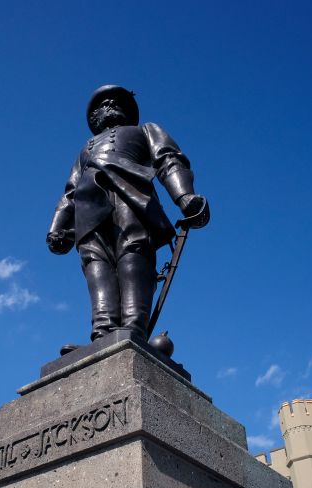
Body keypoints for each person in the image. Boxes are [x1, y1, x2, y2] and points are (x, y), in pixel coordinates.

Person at [47, 85, 209, 345]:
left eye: (116, 101)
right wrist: (57, 226)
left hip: (131, 199)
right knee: (96, 265)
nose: (109, 104)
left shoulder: (146, 131)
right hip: (89, 210)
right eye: (102, 104)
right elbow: (70, 191)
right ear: (93, 118)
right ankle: (102, 334)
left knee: (133, 255)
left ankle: (134, 329)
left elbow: (169, 161)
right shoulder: (85, 149)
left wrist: (185, 197)